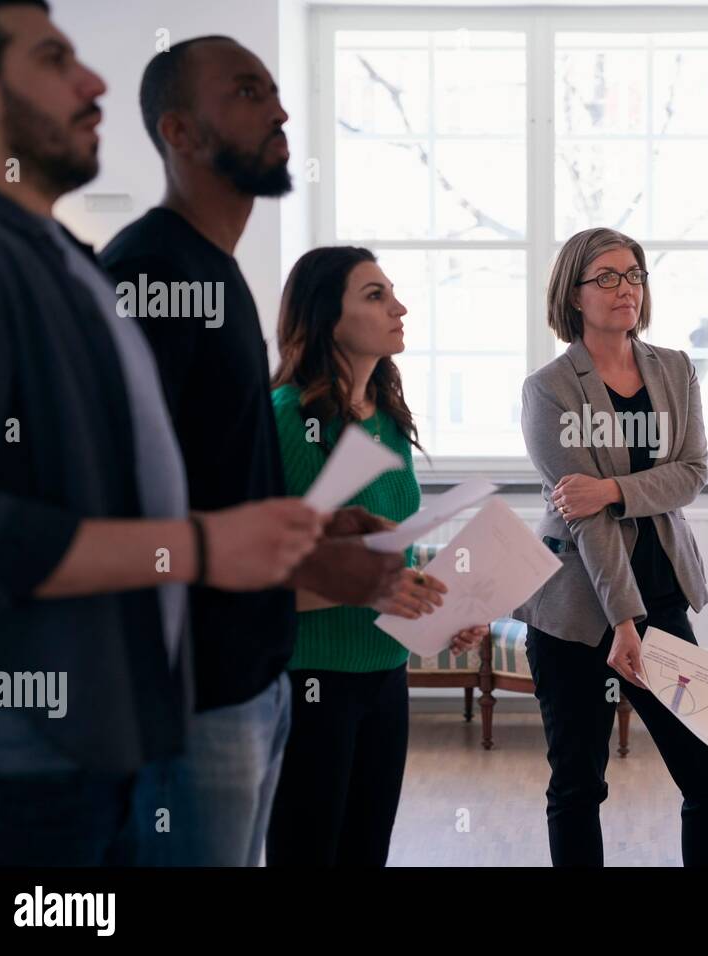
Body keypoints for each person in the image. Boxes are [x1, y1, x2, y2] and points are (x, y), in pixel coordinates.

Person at [0, 0, 323, 866]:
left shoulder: (61, 256)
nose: (92, 82)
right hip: (27, 755)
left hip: (106, 732)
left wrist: (287, 542)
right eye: (54, 59)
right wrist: (197, 548)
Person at [100, 37, 410, 866]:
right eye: (246, 93)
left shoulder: (217, 276)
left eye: (276, 91)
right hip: (190, 690)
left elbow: (208, 482)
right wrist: (310, 568)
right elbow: (119, 503)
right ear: (180, 131)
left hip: (248, 676)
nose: (277, 110)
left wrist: (318, 536)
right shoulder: (153, 272)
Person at [514, 227, 708, 867]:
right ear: (574, 293)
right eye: (607, 277)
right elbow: (581, 519)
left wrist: (611, 486)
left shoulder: (674, 369)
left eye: (634, 274)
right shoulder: (550, 387)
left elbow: (691, 472)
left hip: (661, 605)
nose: (626, 288)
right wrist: (622, 622)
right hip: (575, 617)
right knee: (579, 787)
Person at [265, 247, 486, 865]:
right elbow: (264, 576)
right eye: (374, 295)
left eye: (393, 293)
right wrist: (372, 586)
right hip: (311, 679)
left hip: (385, 675)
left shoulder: (387, 421)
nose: (399, 308)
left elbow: (392, 551)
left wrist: (443, 612)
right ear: (325, 316)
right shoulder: (289, 419)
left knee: (366, 854)